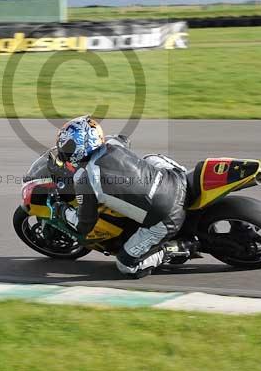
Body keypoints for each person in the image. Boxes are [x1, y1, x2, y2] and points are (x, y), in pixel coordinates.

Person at [48, 115, 197, 278]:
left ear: (81, 146)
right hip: (176, 178)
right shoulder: (112, 143)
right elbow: (124, 139)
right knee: (149, 158)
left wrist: (61, 210)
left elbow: (84, 225)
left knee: (126, 265)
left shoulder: (86, 181)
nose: (64, 150)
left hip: (167, 217)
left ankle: (178, 247)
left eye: (68, 146)